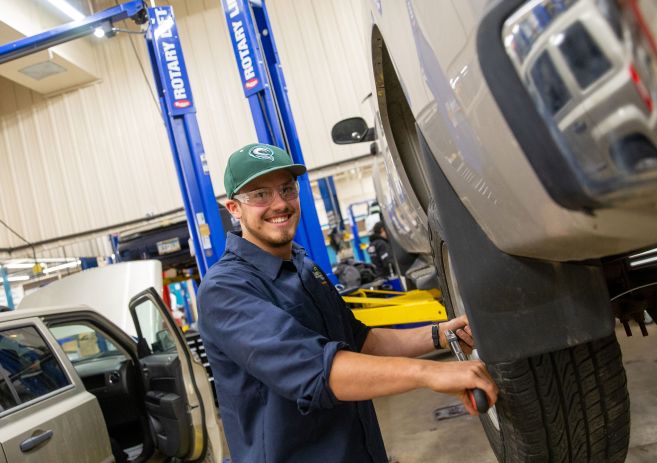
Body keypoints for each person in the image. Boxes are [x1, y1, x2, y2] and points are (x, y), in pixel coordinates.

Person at [197, 143, 498, 463]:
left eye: (287, 189)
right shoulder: (225, 290)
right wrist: (430, 373)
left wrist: (439, 334)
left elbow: (360, 341)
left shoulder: (304, 267)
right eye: (260, 195)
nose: (280, 204)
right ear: (233, 208)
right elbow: (318, 370)